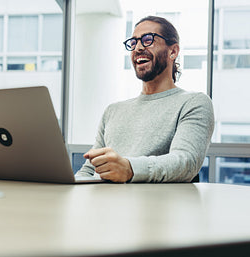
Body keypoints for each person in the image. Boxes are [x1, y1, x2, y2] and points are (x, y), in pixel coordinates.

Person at [75, 16, 214, 183]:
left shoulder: (194, 103)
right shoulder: (113, 110)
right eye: (133, 43)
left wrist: (129, 168)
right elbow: (90, 168)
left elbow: (185, 162)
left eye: (148, 40)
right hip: (102, 202)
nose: (138, 48)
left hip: (152, 206)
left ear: (173, 51)